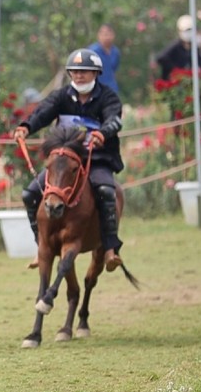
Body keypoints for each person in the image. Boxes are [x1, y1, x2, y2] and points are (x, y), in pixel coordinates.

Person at [13, 48, 125, 272]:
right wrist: (26, 127)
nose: (79, 76)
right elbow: (42, 113)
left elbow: (115, 120)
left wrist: (103, 133)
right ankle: (41, 246)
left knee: (105, 190)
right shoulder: (61, 96)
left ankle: (111, 248)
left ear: (96, 74)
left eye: (85, 71)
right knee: (30, 194)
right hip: (65, 162)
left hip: (97, 159)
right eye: (74, 71)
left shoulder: (107, 97)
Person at [156, 14, 201, 80]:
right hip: (174, 82)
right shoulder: (176, 46)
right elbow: (161, 58)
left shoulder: (195, 48)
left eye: (190, 30)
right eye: (186, 31)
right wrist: (176, 70)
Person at [87, 24, 120, 93]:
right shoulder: (92, 51)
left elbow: (114, 70)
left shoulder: (115, 52)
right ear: (99, 35)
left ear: (113, 35)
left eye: (109, 34)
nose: (107, 37)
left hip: (111, 88)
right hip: (95, 89)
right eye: (104, 34)